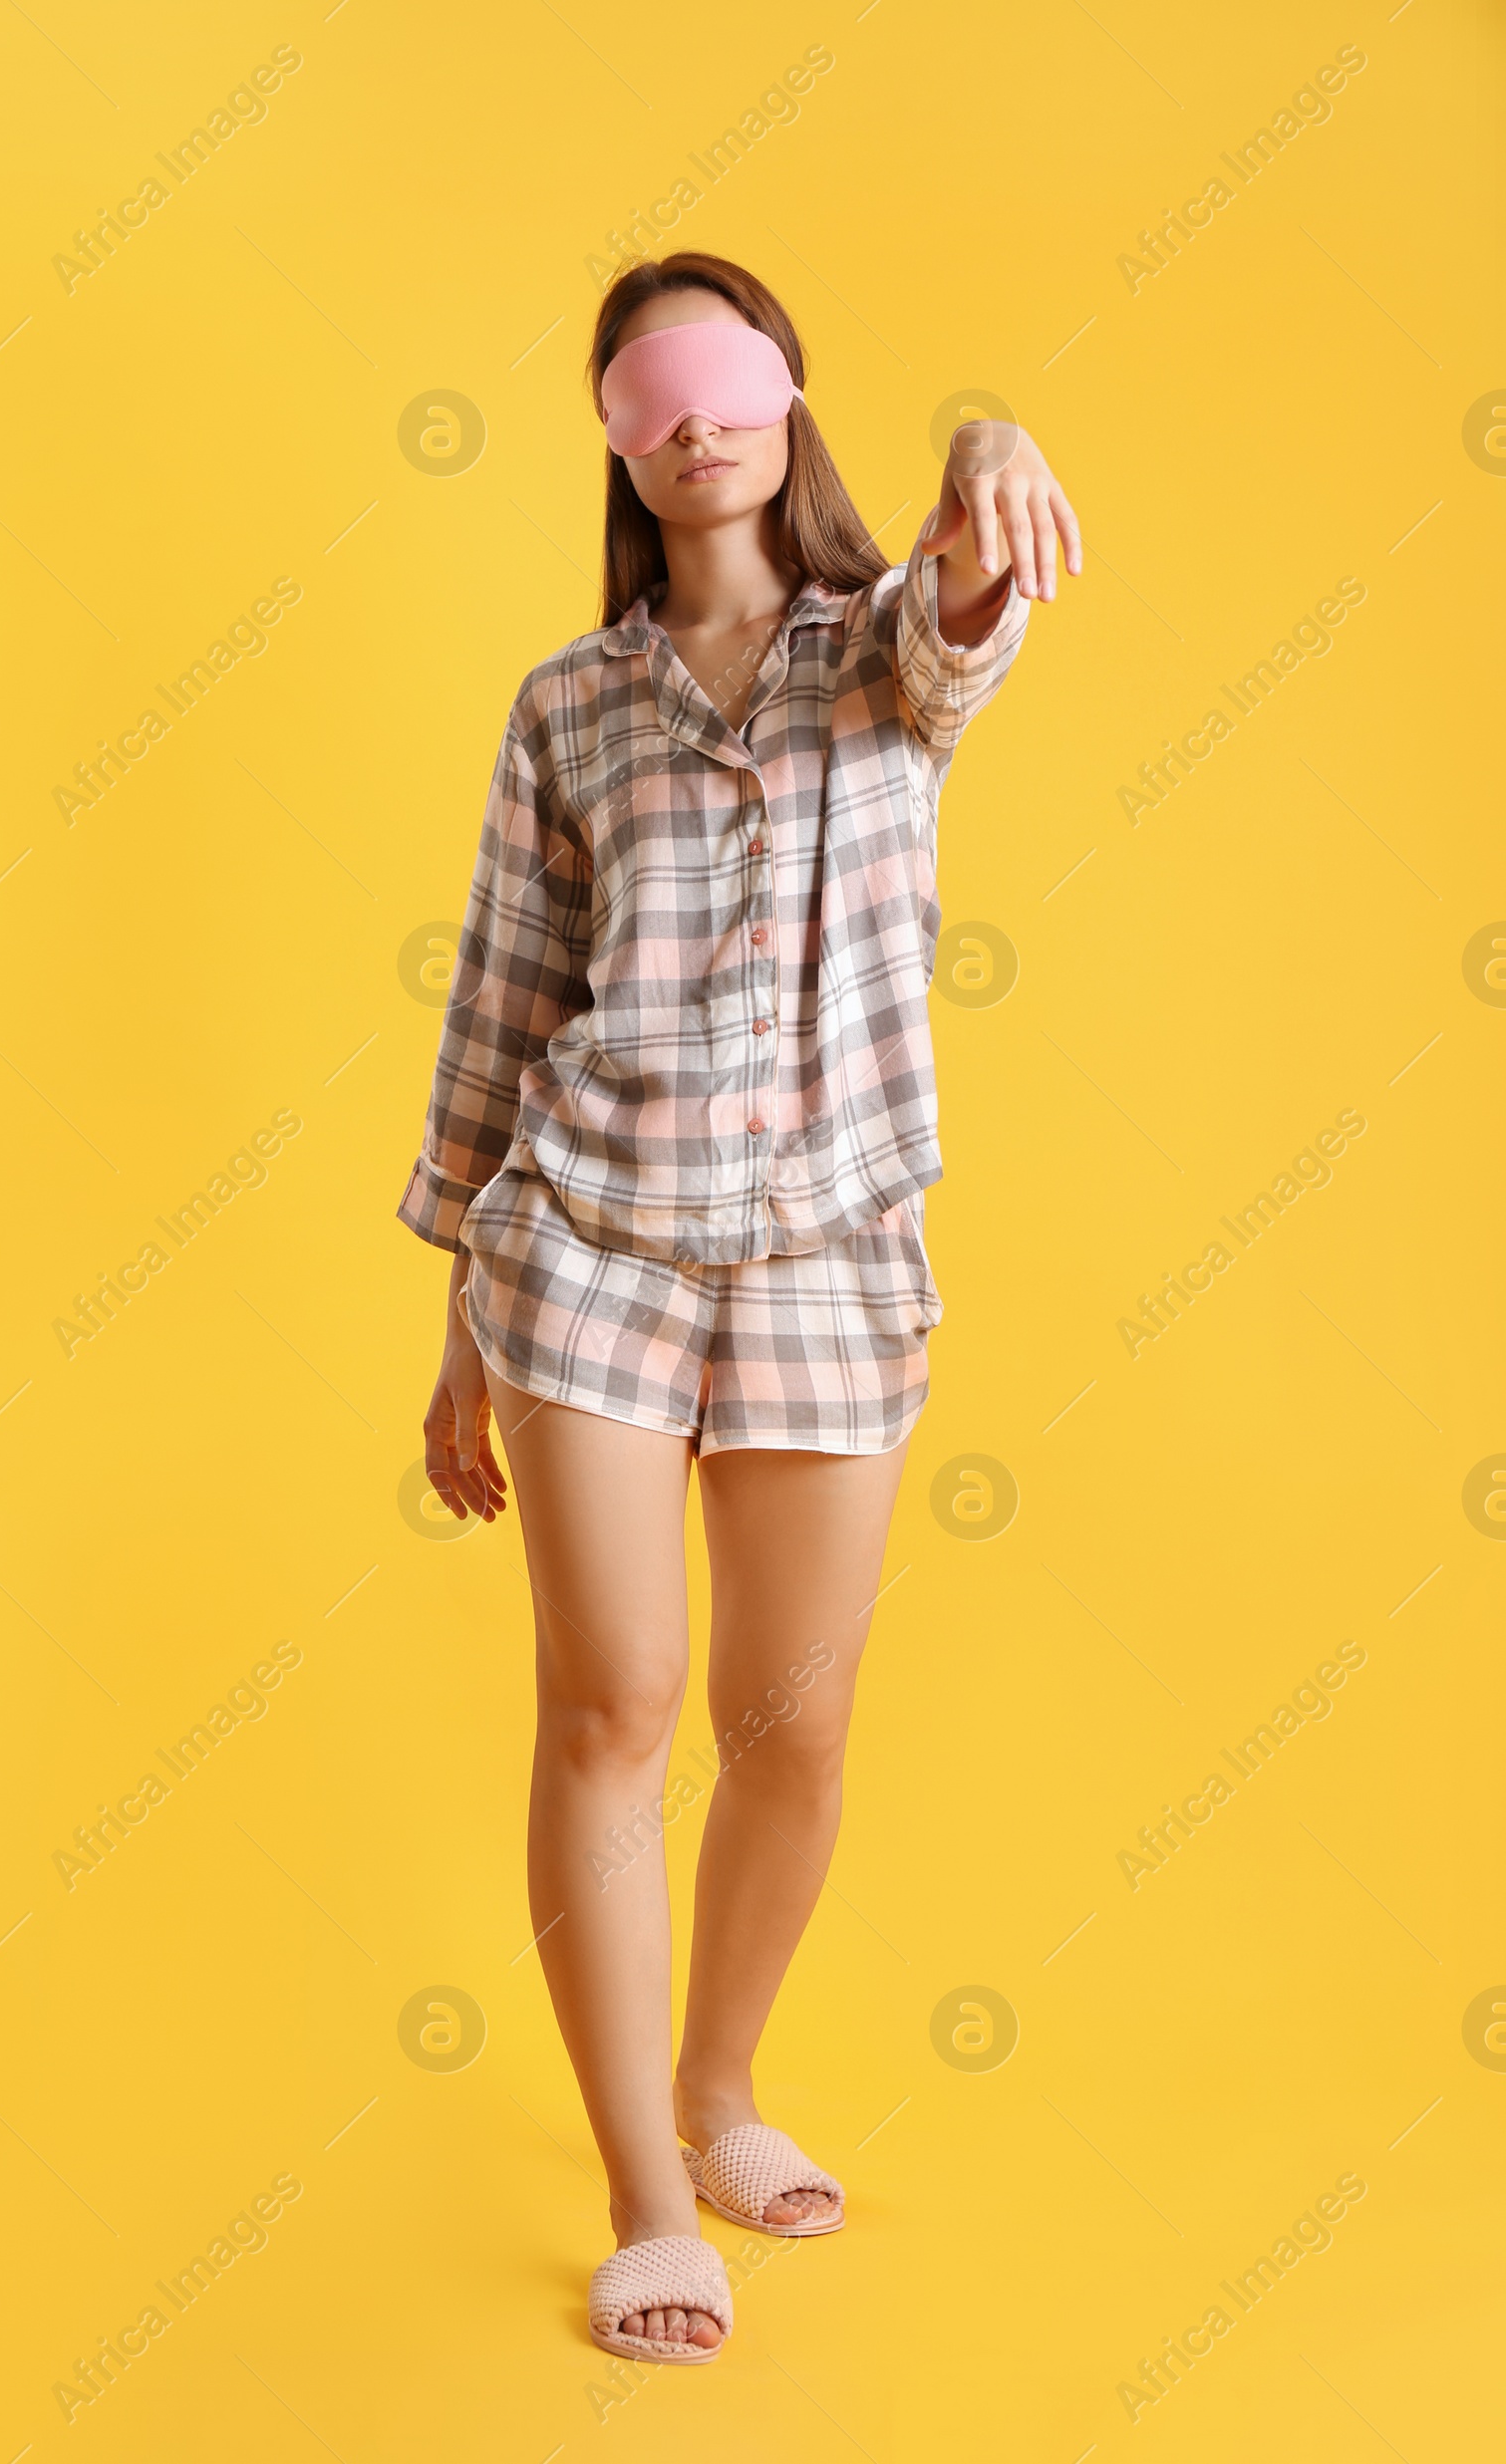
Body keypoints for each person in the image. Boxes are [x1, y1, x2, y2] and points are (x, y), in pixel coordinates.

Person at [398, 250, 1079, 2364]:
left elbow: (958, 618)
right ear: (615, 432)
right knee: (607, 1700)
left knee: (788, 1727)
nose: (693, 414)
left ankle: (718, 2088)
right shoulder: (564, 706)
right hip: (584, 1242)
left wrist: (988, 449)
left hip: (818, 1246)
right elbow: (506, 1011)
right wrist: (457, 1326)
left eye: (726, 373)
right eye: (647, 386)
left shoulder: (870, 664)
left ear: (785, 395)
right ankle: (632, 2187)